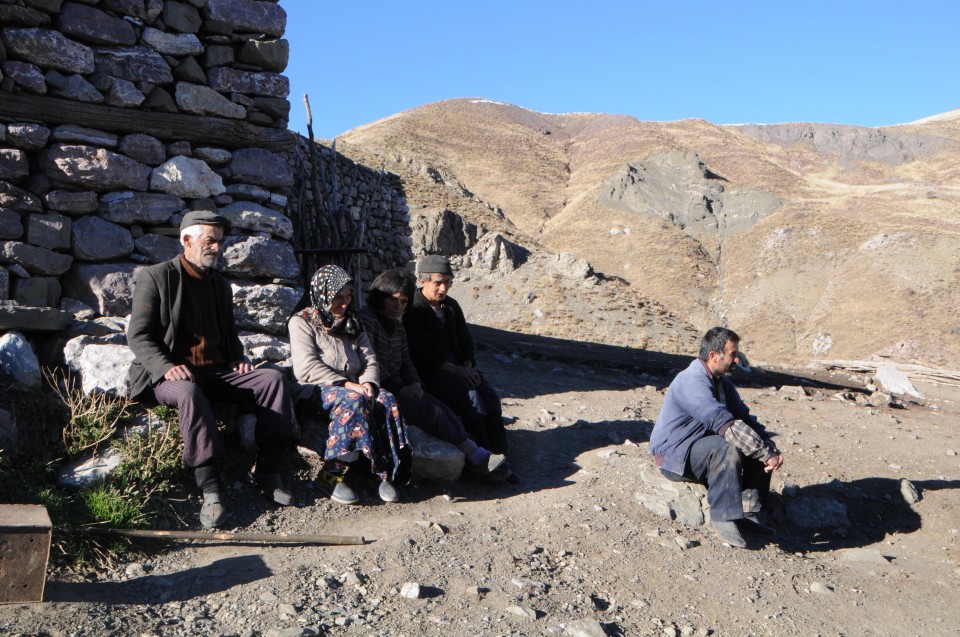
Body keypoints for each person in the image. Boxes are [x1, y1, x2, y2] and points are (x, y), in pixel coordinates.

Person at [127, 210, 294, 529]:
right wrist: (166, 365)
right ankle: (211, 488)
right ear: (186, 240)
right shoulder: (157, 276)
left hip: (216, 371)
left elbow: (229, 336)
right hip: (172, 375)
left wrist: (237, 358)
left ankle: (267, 470)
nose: (217, 247)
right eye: (210, 241)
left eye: (219, 241)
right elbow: (139, 334)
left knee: (272, 379)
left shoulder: (220, 285)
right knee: (189, 392)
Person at [359, 269, 508, 480]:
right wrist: (402, 387)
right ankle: (476, 457)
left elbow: (406, 360)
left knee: (447, 409)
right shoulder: (368, 321)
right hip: (379, 388)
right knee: (432, 411)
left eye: (403, 302)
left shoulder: (399, 327)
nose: (398, 307)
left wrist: (415, 383)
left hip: (403, 385)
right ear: (380, 297)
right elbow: (369, 361)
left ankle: (484, 456)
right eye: (393, 301)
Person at [650, 327, 785, 548]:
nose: (736, 361)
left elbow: (744, 417)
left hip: (700, 447)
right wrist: (764, 452)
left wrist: (768, 447)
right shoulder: (691, 381)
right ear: (714, 355)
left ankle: (749, 512)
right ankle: (724, 517)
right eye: (732, 355)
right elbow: (722, 423)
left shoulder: (722, 383)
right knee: (727, 447)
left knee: (749, 442)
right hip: (675, 455)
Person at [288, 264, 411, 505]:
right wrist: (347, 384)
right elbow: (306, 367)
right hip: (314, 389)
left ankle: (381, 473)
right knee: (354, 401)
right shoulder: (301, 322)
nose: (344, 304)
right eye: (337, 298)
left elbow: (370, 360)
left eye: (348, 297)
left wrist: (368, 383)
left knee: (385, 399)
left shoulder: (353, 322)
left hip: (354, 386)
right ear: (323, 295)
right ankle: (332, 475)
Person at [402, 255, 511, 468]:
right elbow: (421, 355)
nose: (443, 289)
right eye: (437, 283)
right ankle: (482, 461)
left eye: (447, 282)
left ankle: (502, 457)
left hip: (459, 368)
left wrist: (468, 367)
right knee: (473, 401)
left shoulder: (450, 306)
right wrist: (458, 371)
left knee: (490, 398)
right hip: (432, 372)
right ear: (423, 281)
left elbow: (465, 341)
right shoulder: (414, 310)